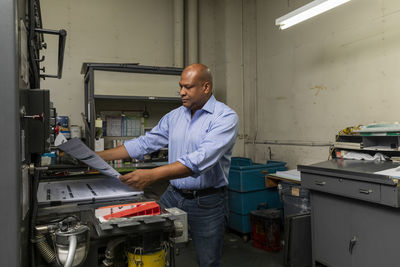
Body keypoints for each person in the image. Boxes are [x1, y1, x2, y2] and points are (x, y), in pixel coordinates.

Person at [97, 63, 238, 267]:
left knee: (208, 261)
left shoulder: (225, 117)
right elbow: (144, 144)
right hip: (174, 194)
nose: (181, 92)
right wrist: (97, 156)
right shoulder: (175, 116)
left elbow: (199, 160)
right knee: (150, 243)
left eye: (188, 87)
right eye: (180, 86)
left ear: (206, 87)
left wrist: (151, 175)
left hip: (207, 202)